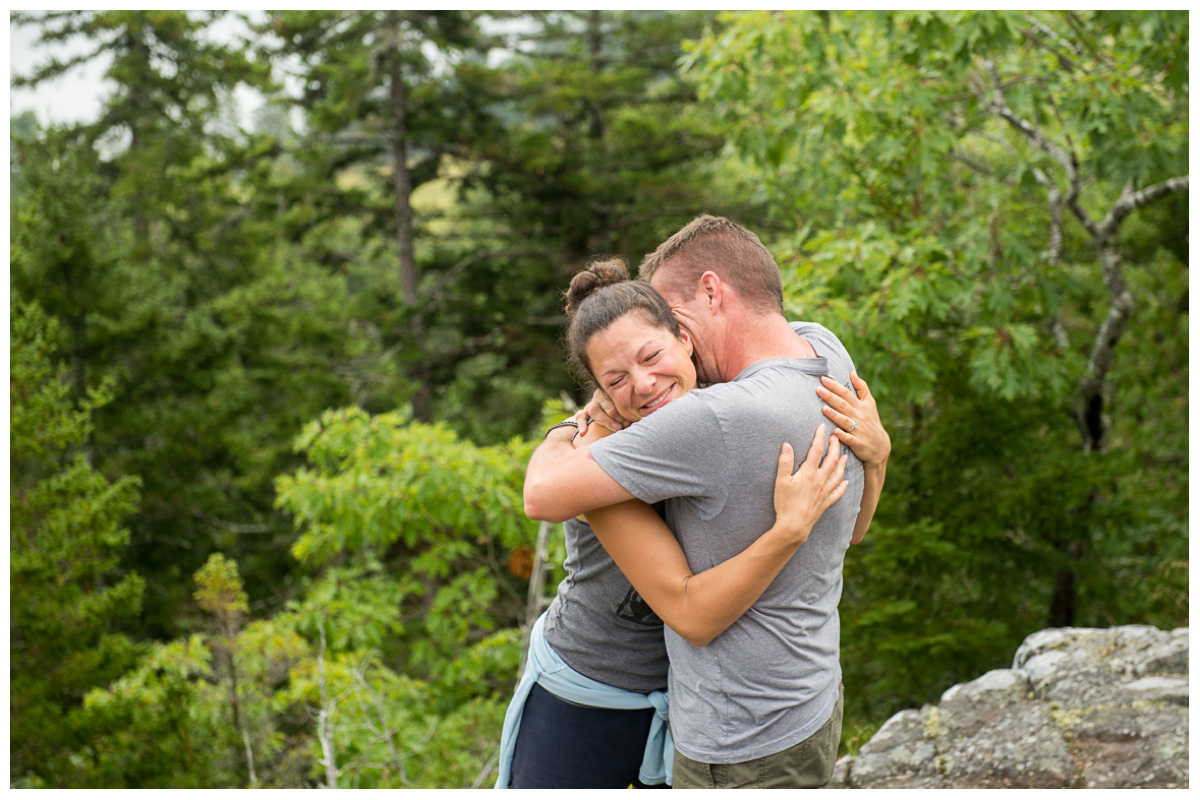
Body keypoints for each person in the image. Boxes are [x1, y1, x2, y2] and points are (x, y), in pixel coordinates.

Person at [523, 215, 890, 789]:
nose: (642, 384)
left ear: (699, 311)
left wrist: (878, 455)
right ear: (599, 388)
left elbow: (844, 531)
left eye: (666, 332)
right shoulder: (821, 349)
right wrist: (571, 427)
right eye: (615, 379)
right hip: (593, 683)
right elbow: (541, 495)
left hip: (725, 716)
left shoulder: (717, 410)